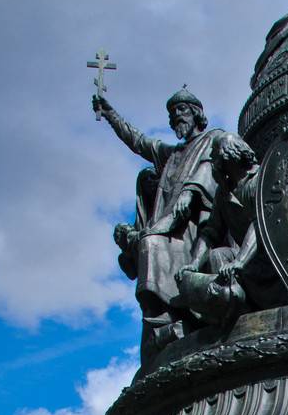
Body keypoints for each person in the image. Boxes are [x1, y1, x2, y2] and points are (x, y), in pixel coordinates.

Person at [93, 85, 228, 358]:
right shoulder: (171, 153)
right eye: (172, 114)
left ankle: (172, 317)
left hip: (198, 226)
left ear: (196, 114)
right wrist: (110, 114)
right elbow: (138, 141)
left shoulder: (213, 139)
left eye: (181, 110)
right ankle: (162, 320)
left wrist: (189, 198)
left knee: (151, 243)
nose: (176, 117)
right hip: (170, 228)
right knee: (150, 243)